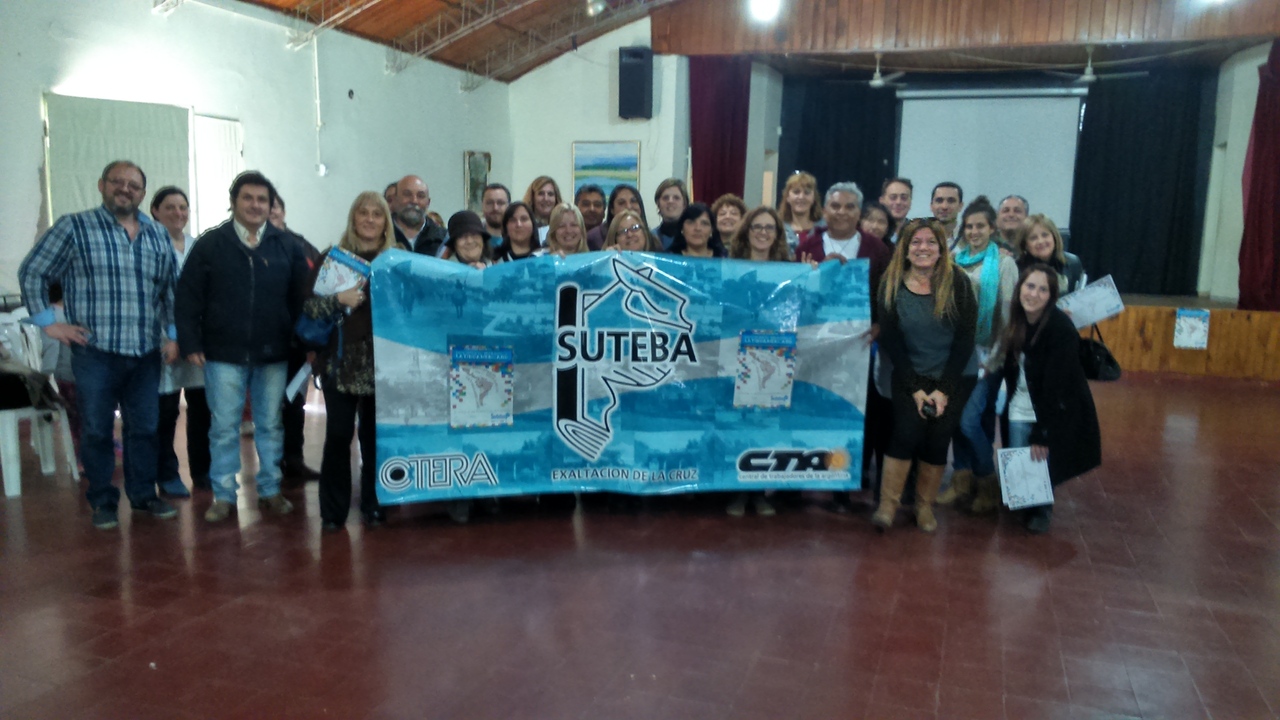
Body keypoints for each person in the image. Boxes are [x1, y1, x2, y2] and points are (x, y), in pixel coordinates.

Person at [18, 160, 180, 529]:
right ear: (101, 185)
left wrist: (173, 335)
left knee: (145, 429)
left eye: (134, 185)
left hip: (145, 353)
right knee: (96, 429)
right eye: (117, 182)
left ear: (142, 193)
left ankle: (143, 495)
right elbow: (32, 271)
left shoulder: (157, 234)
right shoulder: (74, 227)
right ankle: (103, 500)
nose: (125, 189)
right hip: (95, 352)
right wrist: (49, 323)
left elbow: (170, 289)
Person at [176, 170, 310, 523]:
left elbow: (301, 299)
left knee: (270, 425)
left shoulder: (287, 246)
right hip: (223, 353)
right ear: (233, 202)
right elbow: (187, 297)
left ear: (271, 205)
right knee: (223, 427)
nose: (255, 205)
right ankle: (223, 495)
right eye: (247, 198)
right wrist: (190, 341)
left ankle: (270, 489)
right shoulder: (211, 244)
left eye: (262, 199)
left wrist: (302, 343)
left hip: (273, 353)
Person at [872, 218, 978, 533]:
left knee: (937, 439)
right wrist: (917, 389)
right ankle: (887, 506)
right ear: (905, 249)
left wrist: (943, 391)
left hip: (956, 374)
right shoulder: (890, 284)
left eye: (931, 242)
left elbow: (965, 340)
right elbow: (892, 342)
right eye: (916, 242)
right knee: (905, 435)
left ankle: (924, 507)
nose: (923, 248)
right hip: (910, 373)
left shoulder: (958, 282)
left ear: (941, 248)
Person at [300, 192, 395, 531]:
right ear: (353, 218)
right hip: (340, 362)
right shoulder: (334, 257)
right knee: (339, 436)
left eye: (377, 214)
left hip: (385, 363)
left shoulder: (395, 261)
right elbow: (309, 308)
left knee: (375, 438)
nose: (369, 219)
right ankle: (333, 512)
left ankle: (374, 504)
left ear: (386, 222)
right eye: (363, 213)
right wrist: (338, 299)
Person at [999, 264, 1101, 533]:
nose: (1034, 294)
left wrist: (1043, 433)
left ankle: (1042, 508)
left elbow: (1057, 388)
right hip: (1020, 401)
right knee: (1020, 467)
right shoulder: (1017, 320)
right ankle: (1027, 499)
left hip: (1049, 406)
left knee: (1039, 458)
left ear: (1051, 296)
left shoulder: (1060, 329)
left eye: (1042, 290)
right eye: (1030, 286)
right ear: (1020, 288)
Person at [941, 197, 1019, 514]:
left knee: (969, 420)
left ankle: (987, 481)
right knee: (955, 421)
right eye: (969, 226)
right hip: (955, 355)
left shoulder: (1004, 264)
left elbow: (1009, 316)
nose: (974, 231)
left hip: (988, 355)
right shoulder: (954, 260)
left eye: (980, 226)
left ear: (992, 229)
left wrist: (994, 358)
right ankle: (961, 480)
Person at [150, 186, 210, 496]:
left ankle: (203, 471)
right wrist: (173, 334)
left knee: (202, 409)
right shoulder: (148, 244)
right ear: (155, 211)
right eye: (170, 207)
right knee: (167, 411)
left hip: (196, 340)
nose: (178, 213)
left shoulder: (198, 246)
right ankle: (167, 473)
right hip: (163, 339)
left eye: (183, 207)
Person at [269, 195, 322, 482]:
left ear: (283, 210)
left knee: (294, 403)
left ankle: (294, 459)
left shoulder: (302, 246)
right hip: (262, 342)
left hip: (296, 342)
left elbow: (318, 290)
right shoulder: (245, 246)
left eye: (275, 206)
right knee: (267, 406)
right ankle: (270, 466)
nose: (270, 211)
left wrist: (313, 343)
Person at [795, 182, 890, 292]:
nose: (842, 212)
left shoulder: (878, 249)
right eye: (835, 206)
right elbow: (795, 293)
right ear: (824, 212)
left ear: (859, 214)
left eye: (849, 207)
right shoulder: (806, 249)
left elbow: (885, 294)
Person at [1017, 214, 1085, 294]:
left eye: (1045, 235)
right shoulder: (1017, 269)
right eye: (1033, 238)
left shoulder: (1073, 262)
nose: (1040, 241)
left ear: (1054, 237)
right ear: (1025, 245)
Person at [389, 175, 447, 256]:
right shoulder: (381, 236)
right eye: (407, 194)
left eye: (420, 196)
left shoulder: (444, 240)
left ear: (428, 203)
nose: (414, 201)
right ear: (395, 200)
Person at [587, 184, 646, 250]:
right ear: (612, 209)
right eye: (621, 203)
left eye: (633, 201)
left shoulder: (653, 239)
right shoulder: (593, 238)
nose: (629, 206)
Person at [779, 171, 822, 251]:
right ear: (787, 197)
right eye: (796, 192)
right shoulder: (778, 229)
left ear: (814, 198)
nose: (801, 197)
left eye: (807, 192)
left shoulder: (824, 229)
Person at [652, 178, 690, 250]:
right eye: (665, 198)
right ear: (658, 204)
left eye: (676, 198)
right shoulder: (650, 238)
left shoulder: (694, 237)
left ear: (685, 204)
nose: (670, 201)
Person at [523, 176, 562, 244]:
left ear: (556, 198)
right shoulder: (523, 225)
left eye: (550, 194)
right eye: (541, 194)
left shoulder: (562, 226)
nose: (546, 199)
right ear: (532, 197)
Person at [879, 178, 913, 244]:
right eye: (893, 197)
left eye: (904, 198)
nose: (898, 202)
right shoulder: (873, 231)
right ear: (881, 201)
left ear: (910, 202)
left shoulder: (916, 232)